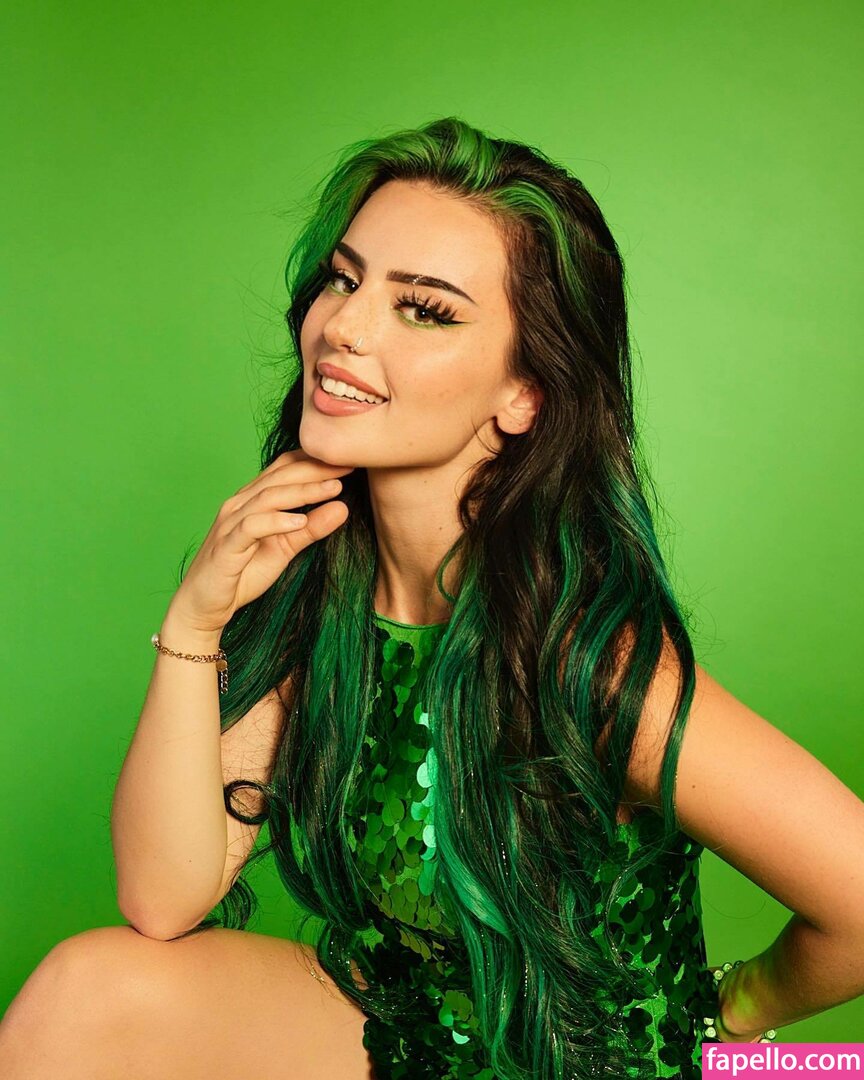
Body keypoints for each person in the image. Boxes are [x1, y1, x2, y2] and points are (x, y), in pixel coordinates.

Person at [2, 116, 863, 1080]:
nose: (345, 327)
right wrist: (194, 621)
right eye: (345, 279)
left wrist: (734, 1012)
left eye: (424, 310)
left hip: (583, 1067)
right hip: (415, 1034)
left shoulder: (589, 660)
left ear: (526, 393)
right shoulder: (321, 586)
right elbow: (163, 901)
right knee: (88, 991)